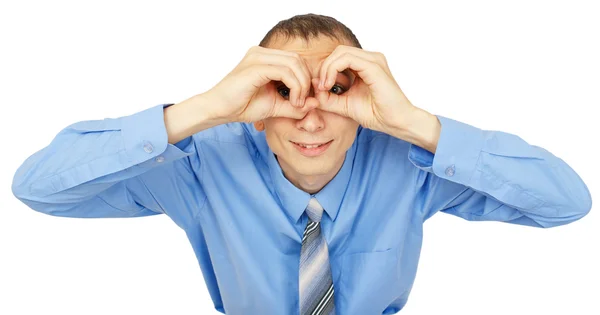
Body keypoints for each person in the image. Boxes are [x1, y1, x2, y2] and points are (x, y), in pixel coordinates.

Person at [11, 13, 592, 315]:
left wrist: (414, 121)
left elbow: (567, 202)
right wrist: (206, 108)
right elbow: (39, 188)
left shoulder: (408, 161)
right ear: (255, 104)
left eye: (336, 93)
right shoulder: (204, 162)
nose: (311, 121)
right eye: (284, 95)